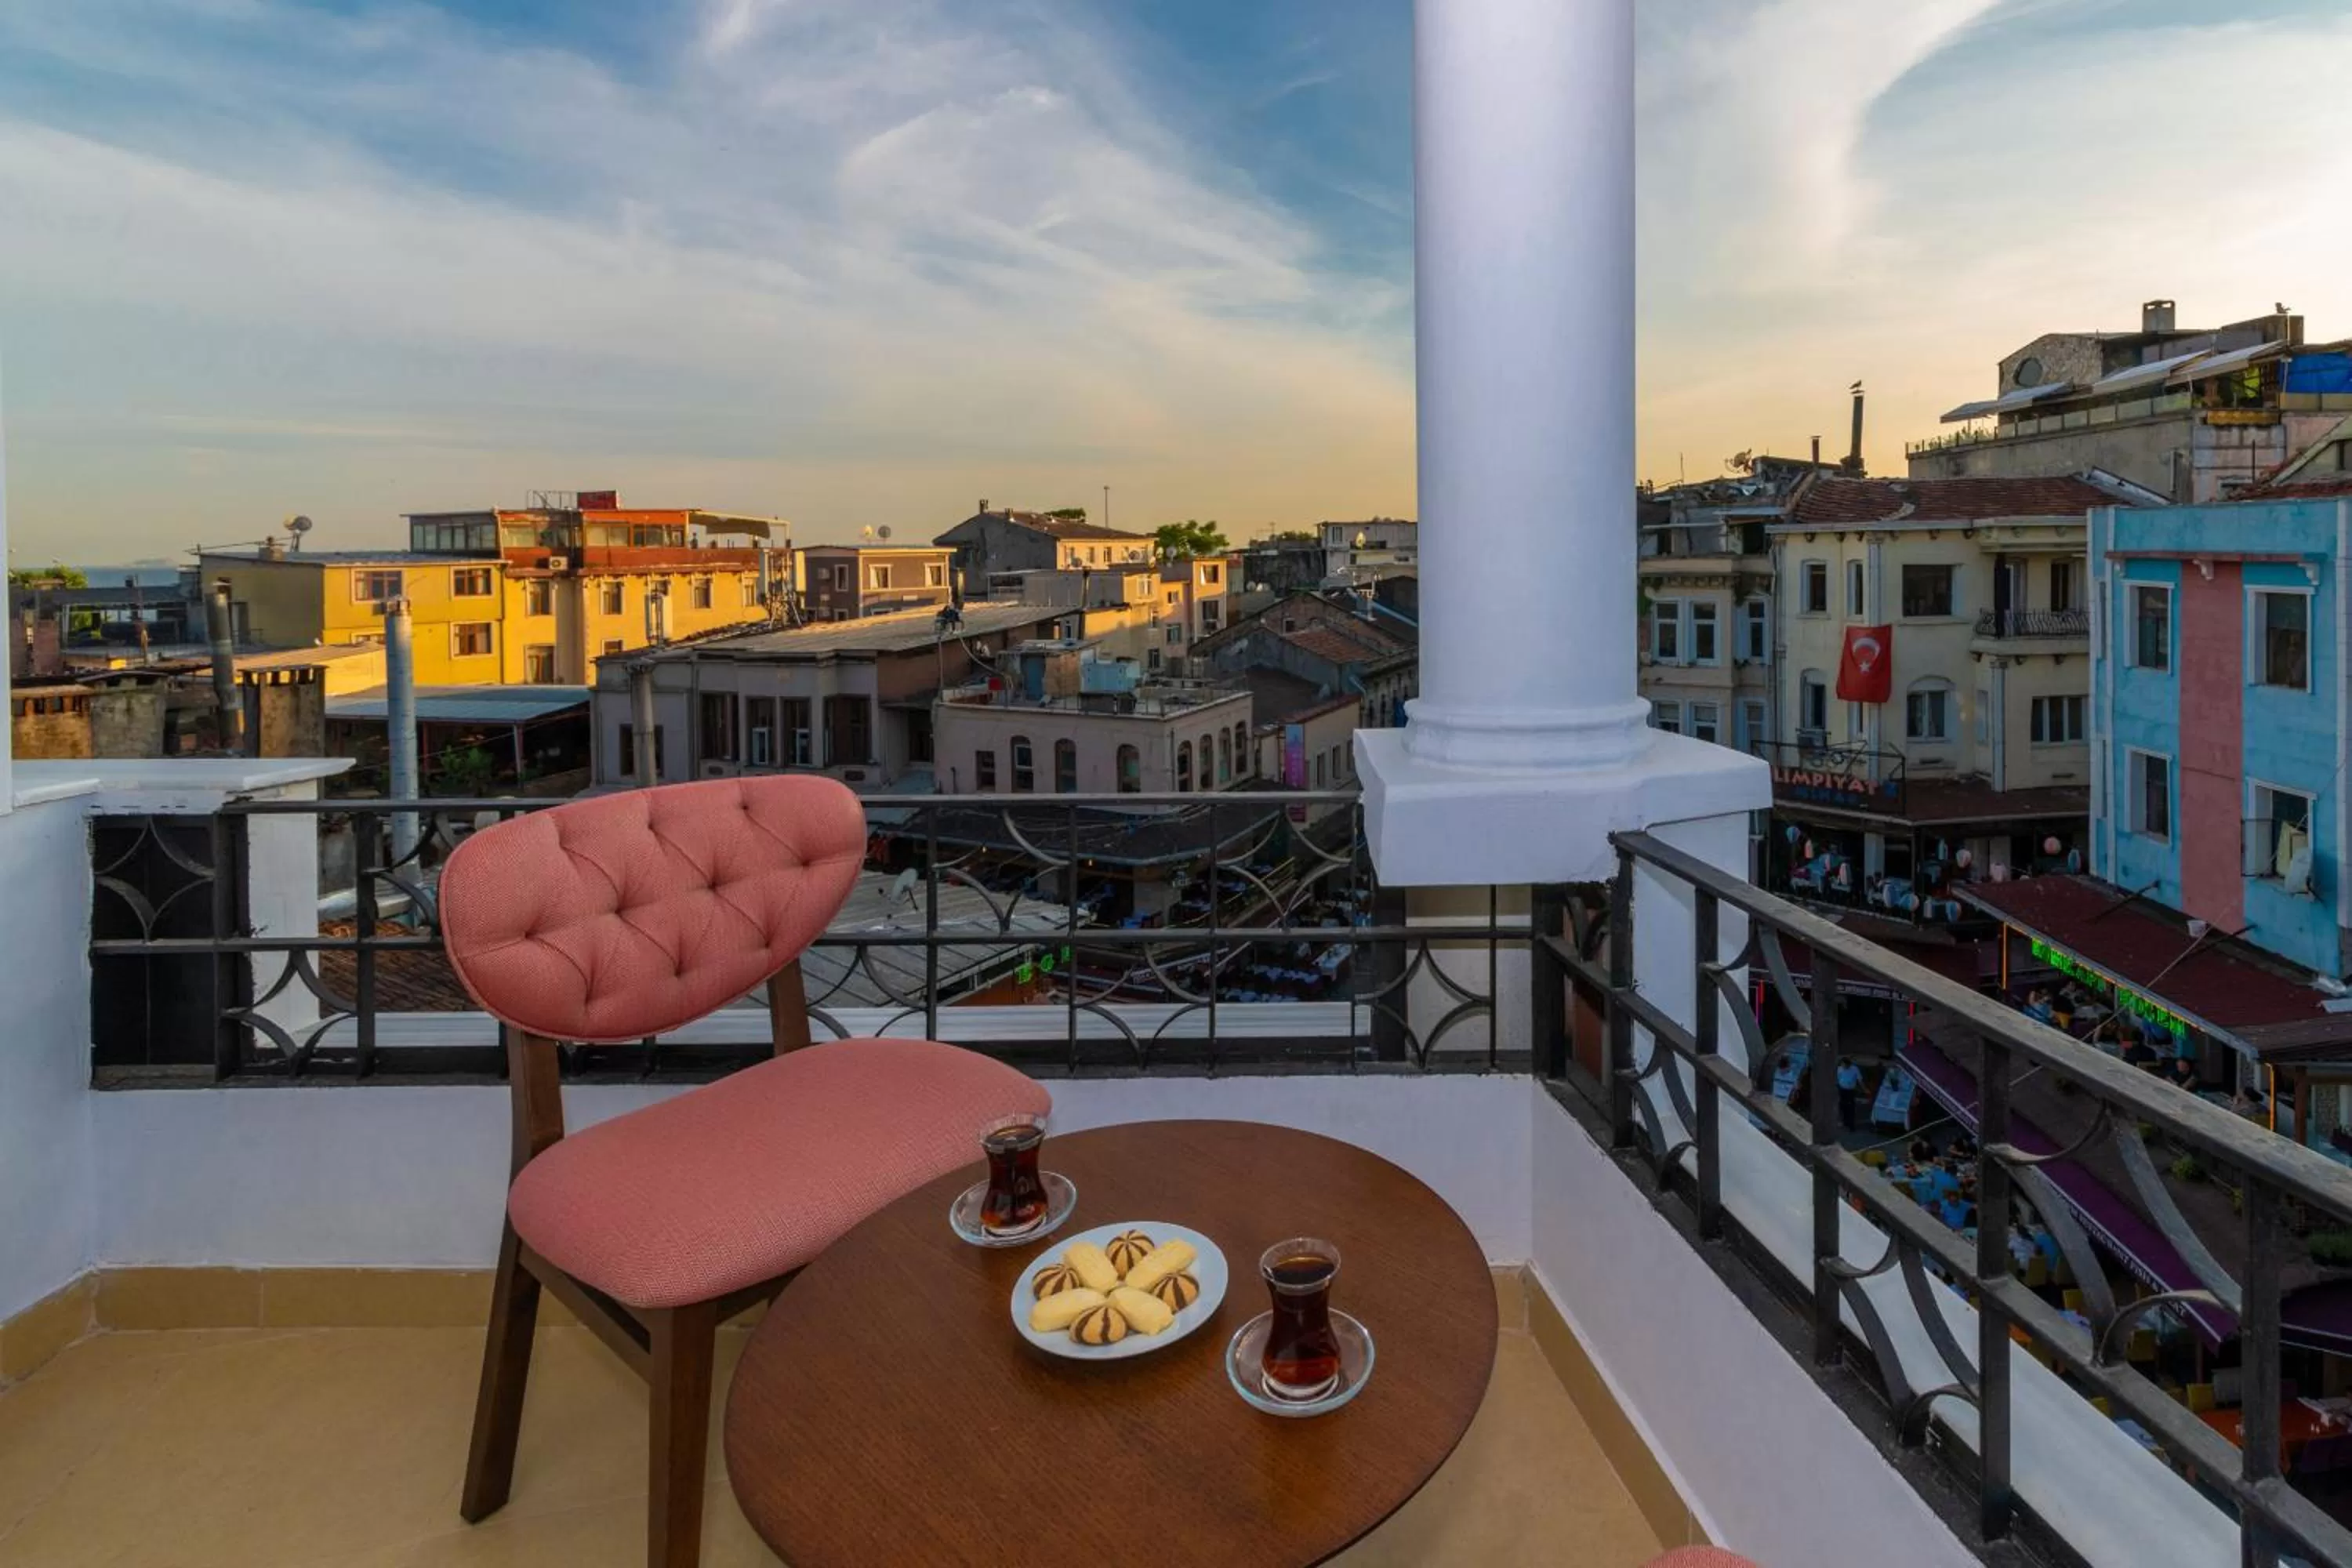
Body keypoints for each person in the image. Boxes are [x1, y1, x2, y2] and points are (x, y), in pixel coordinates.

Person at [1837, 1058, 1865, 1132]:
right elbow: (1837, 1078)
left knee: (1851, 1107)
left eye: (1845, 1065)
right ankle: (1845, 1121)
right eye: (1842, 1065)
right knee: (1842, 1106)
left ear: (1848, 1065)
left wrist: (1864, 1089)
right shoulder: (1840, 1069)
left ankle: (1851, 1125)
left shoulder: (1855, 1069)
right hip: (1842, 1090)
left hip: (1850, 1091)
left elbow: (1860, 1079)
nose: (1843, 1066)